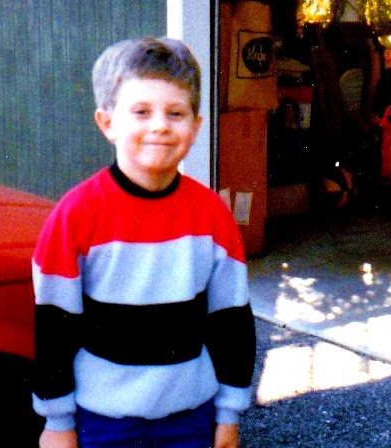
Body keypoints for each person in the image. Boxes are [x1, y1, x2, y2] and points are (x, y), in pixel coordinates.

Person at [31, 36, 256, 448]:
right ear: (108, 123)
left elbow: (232, 323)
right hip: (102, 420)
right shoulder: (74, 216)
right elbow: (53, 331)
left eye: (176, 113)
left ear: (195, 127)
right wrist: (57, 422)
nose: (160, 126)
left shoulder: (213, 216)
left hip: (191, 416)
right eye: (141, 111)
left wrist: (229, 413)